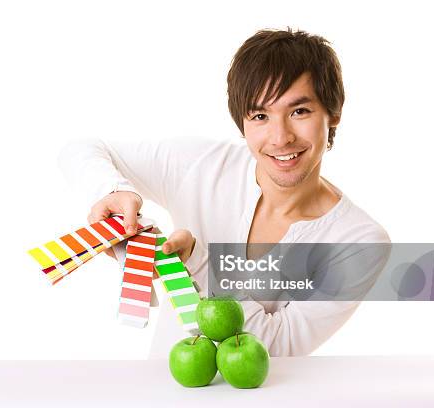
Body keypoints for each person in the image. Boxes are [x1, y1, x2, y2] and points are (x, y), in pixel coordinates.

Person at [58, 28, 390, 358]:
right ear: (242, 123)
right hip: (163, 388)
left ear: (334, 113)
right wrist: (114, 191)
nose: (280, 137)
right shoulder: (202, 164)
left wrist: (197, 263)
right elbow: (84, 149)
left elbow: (280, 347)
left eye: (298, 111)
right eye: (260, 116)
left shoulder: (359, 242)